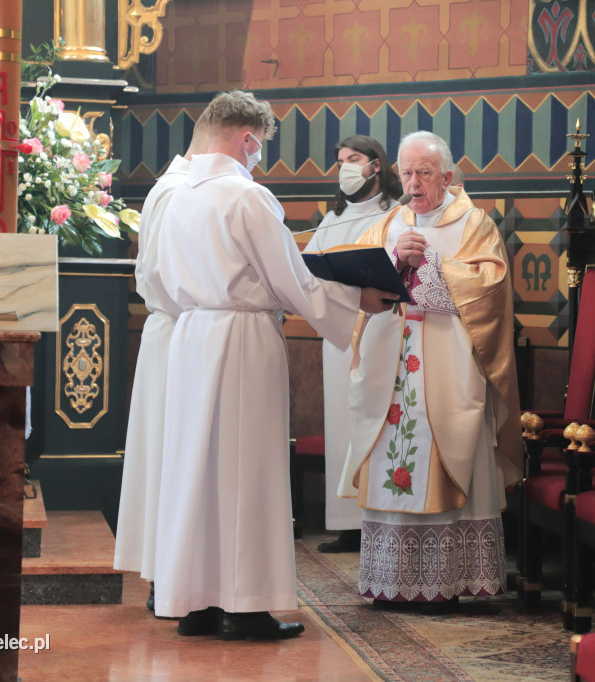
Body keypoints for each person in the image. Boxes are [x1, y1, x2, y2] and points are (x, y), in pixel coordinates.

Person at [152, 91, 394, 640]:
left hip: (192, 335)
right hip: (240, 338)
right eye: (258, 148)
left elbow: (163, 280)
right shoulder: (247, 196)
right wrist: (360, 300)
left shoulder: (175, 195)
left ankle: (195, 602)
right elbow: (292, 278)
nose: (257, 157)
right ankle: (247, 605)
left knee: (197, 469)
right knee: (247, 469)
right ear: (247, 139)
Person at [339, 131, 522, 611]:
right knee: (392, 453)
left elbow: (491, 287)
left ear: (448, 177)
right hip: (393, 365)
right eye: (406, 172)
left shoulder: (474, 224)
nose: (413, 183)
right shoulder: (388, 223)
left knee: (446, 446)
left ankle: (445, 582)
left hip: (448, 363)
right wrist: (396, 262)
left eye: (424, 173)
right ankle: (390, 581)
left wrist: (431, 265)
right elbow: (359, 282)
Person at [113, 115, 209, 612]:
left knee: (166, 456)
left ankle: (168, 574)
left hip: (170, 330)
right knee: (172, 456)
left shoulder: (169, 186)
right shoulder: (180, 192)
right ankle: (166, 578)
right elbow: (176, 274)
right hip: (179, 330)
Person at [306, 135, 402, 554]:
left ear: (376, 165)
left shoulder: (397, 214)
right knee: (342, 421)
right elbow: (309, 266)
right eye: (340, 160)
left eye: (354, 159)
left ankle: (379, 516)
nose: (345, 166)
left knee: (374, 419)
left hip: (383, 327)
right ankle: (346, 524)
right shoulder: (333, 218)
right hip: (341, 329)